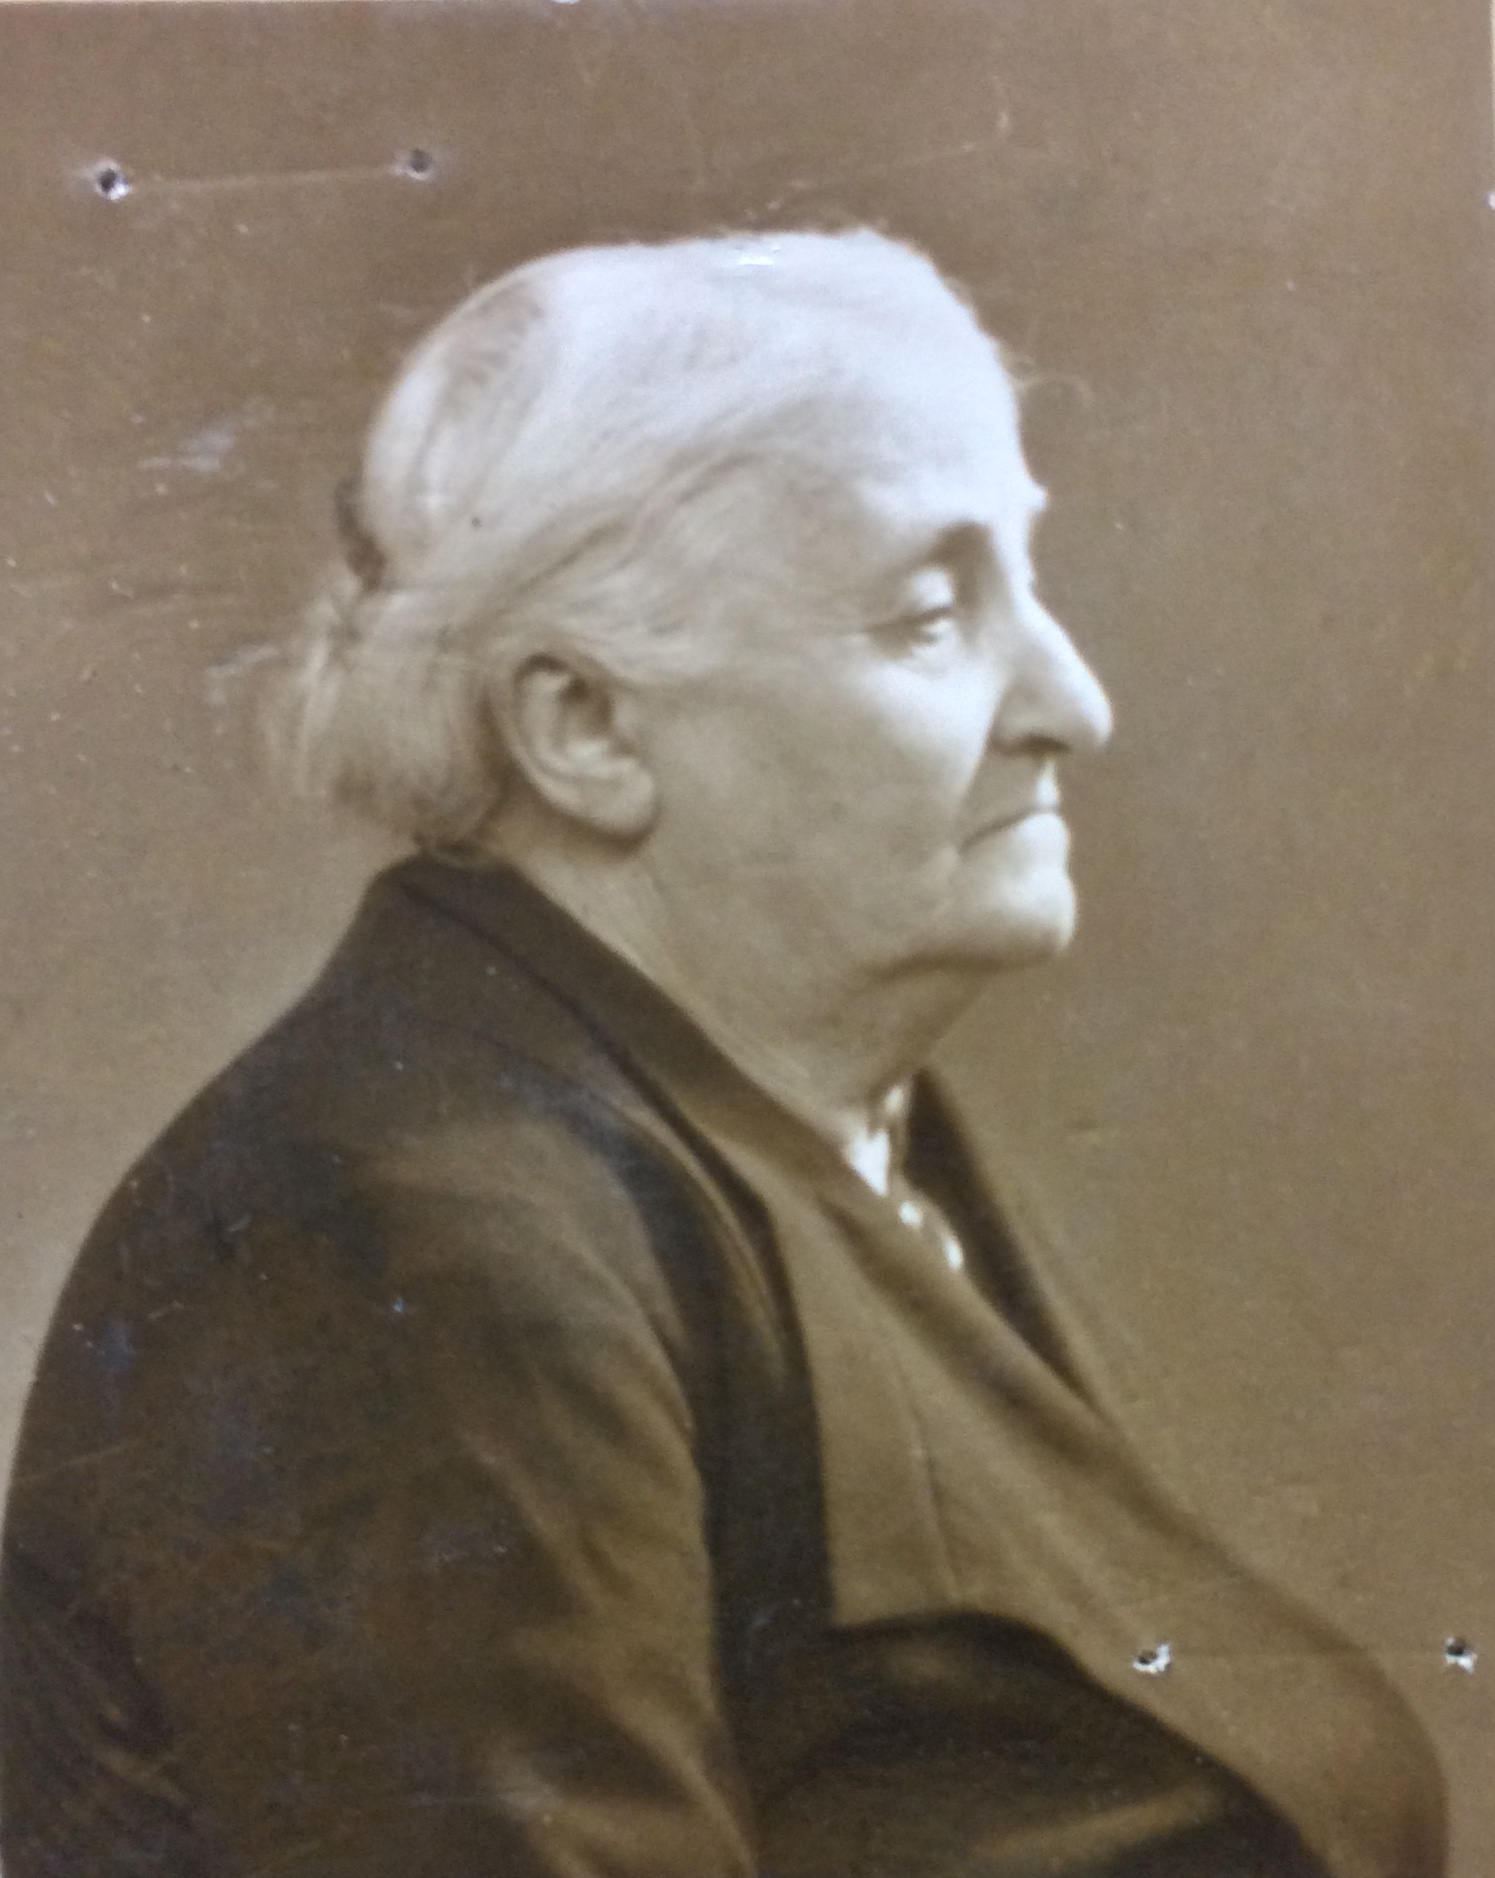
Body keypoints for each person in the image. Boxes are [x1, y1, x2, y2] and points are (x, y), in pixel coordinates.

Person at [0, 230, 1445, 1878]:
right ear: (585, 726)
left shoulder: (824, 1136)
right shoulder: (416, 1240)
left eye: (1028, 584)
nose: (1072, 701)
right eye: (930, 615)